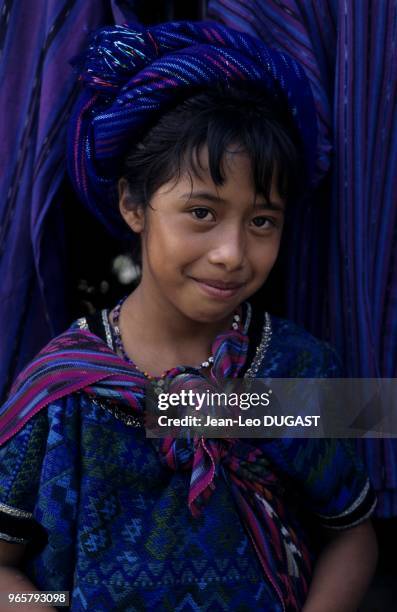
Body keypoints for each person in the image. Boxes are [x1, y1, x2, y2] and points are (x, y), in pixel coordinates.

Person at [0, 21, 377, 612]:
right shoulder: (60, 389)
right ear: (132, 204)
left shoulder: (295, 367)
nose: (231, 253)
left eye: (262, 222)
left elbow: (353, 534)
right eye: (201, 211)